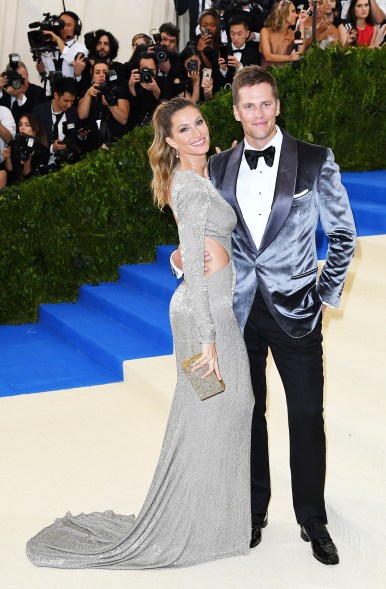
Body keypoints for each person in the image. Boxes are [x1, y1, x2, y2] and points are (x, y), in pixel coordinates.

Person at [26, 96, 255, 568]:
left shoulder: (203, 173)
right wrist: (207, 337)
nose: (196, 133)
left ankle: (217, 522)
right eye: (184, 130)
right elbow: (193, 252)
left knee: (223, 410)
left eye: (199, 123)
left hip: (210, 305)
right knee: (214, 409)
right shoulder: (188, 185)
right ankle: (194, 526)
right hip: (202, 314)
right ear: (168, 140)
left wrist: (177, 259)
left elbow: (192, 244)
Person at [200, 65, 356, 565]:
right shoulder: (219, 165)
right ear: (235, 111)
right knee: (248, 414)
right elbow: (214, 234)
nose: (259, 114)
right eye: (249, 105)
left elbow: (344, 235)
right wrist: (191, 259)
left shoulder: (314, 159)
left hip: (297, 310)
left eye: (266, 103)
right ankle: (253, 509)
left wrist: (322, 293)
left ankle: (313, 517)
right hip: (240, 310)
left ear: (278, 105)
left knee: (308, 415)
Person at [77, 60, 130, 148]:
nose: (101, 75)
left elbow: (123, 119)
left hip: (116, 143)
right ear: (92, 75)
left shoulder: (120, 90)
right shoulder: (86, 92)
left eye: (105, 72)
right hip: (93, 144)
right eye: (97, 72)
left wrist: (110, 104)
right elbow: (82, 115)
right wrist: (88, 95)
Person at [36, 11, 88, 96]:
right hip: (49, 96)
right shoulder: (49, 47)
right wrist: (41, 71)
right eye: (62, 25)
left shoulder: (81, 48)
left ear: (76, 28)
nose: (65, 28)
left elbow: (71, 60)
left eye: (68, 25)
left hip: (69, 98)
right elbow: (45, 75)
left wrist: (58, 40)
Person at [1, 113, 49, 183]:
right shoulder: (13, 144)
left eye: (27, 125)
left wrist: (27, 163)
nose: (22, 128)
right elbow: (10, 172)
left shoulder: (42, 151)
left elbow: (32, 179)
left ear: (35, 129)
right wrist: (8, 158)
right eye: (20, 125)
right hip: (12, 185)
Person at [260, 1, 307, 68]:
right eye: (293, 11)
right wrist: (289, 58)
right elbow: (267, 56)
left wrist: (302, 23)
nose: (296, 15)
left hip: (285, 76)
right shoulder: (265, 31)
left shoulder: (292, 34)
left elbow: (300, 52)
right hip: (265, 76)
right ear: (283, 13)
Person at [218, 15, 261, 87]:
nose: (235, 38)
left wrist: (239, 67)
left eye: (239, 34)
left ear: (247, 34)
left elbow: (254, 79)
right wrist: (223, 69)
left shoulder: (254, 53)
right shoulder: (223, 50)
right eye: (232, 34)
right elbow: (218, 81)